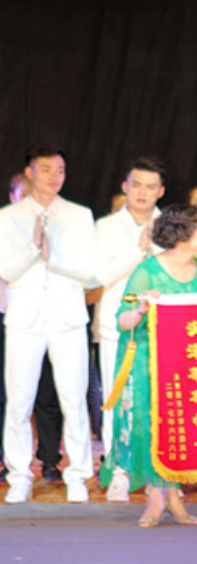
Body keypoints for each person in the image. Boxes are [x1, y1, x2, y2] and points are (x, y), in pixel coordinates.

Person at [0, 142, 95, 503]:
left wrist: (53, 258)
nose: (54, 177)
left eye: (60, 170)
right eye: (46, 169)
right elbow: (6, 270)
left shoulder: (79, 215)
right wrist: (32, 248)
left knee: (74, 399)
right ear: (30, 173)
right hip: (24, 319)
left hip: (67, 318)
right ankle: (19, 475)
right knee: (19, 401)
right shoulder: (8, 217)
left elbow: (87, 270)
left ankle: (78, 475)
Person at [101, 204, 197, 527]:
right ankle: (156, 497)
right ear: (183, 234)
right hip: (148, 362)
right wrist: (142, 309)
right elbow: (122, 319)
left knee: (179, 427)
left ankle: (173, 494)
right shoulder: (147, 271)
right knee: (151, 426)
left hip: (184, 362)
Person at [94, 156, 166, 502]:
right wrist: (138, 251)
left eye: (151, 187)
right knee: (117, 398)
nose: (142, 192)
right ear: (125, 186)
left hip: (163, 327)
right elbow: (99, 276)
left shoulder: (170, 225)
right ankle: (118, 471)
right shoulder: (105, 227)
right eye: (136, 185)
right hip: (118, 326)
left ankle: (158, 471)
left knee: (159, 400)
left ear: (161, 191)